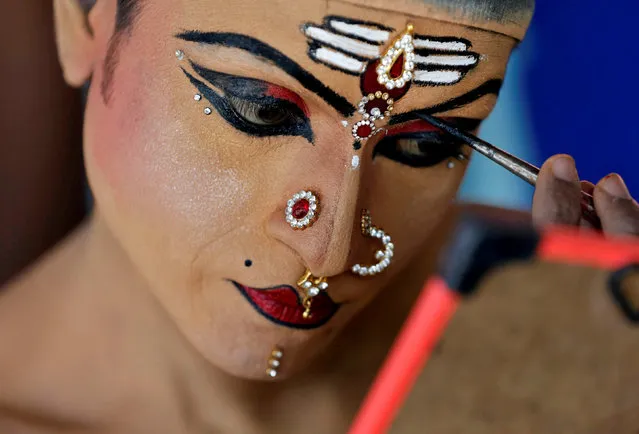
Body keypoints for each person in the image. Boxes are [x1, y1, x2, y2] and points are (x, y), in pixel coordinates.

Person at [1, 0, 637, 432]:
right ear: (85, 22)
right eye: (260, 112)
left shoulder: (545, 327)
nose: (332, 249)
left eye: (423, 146)